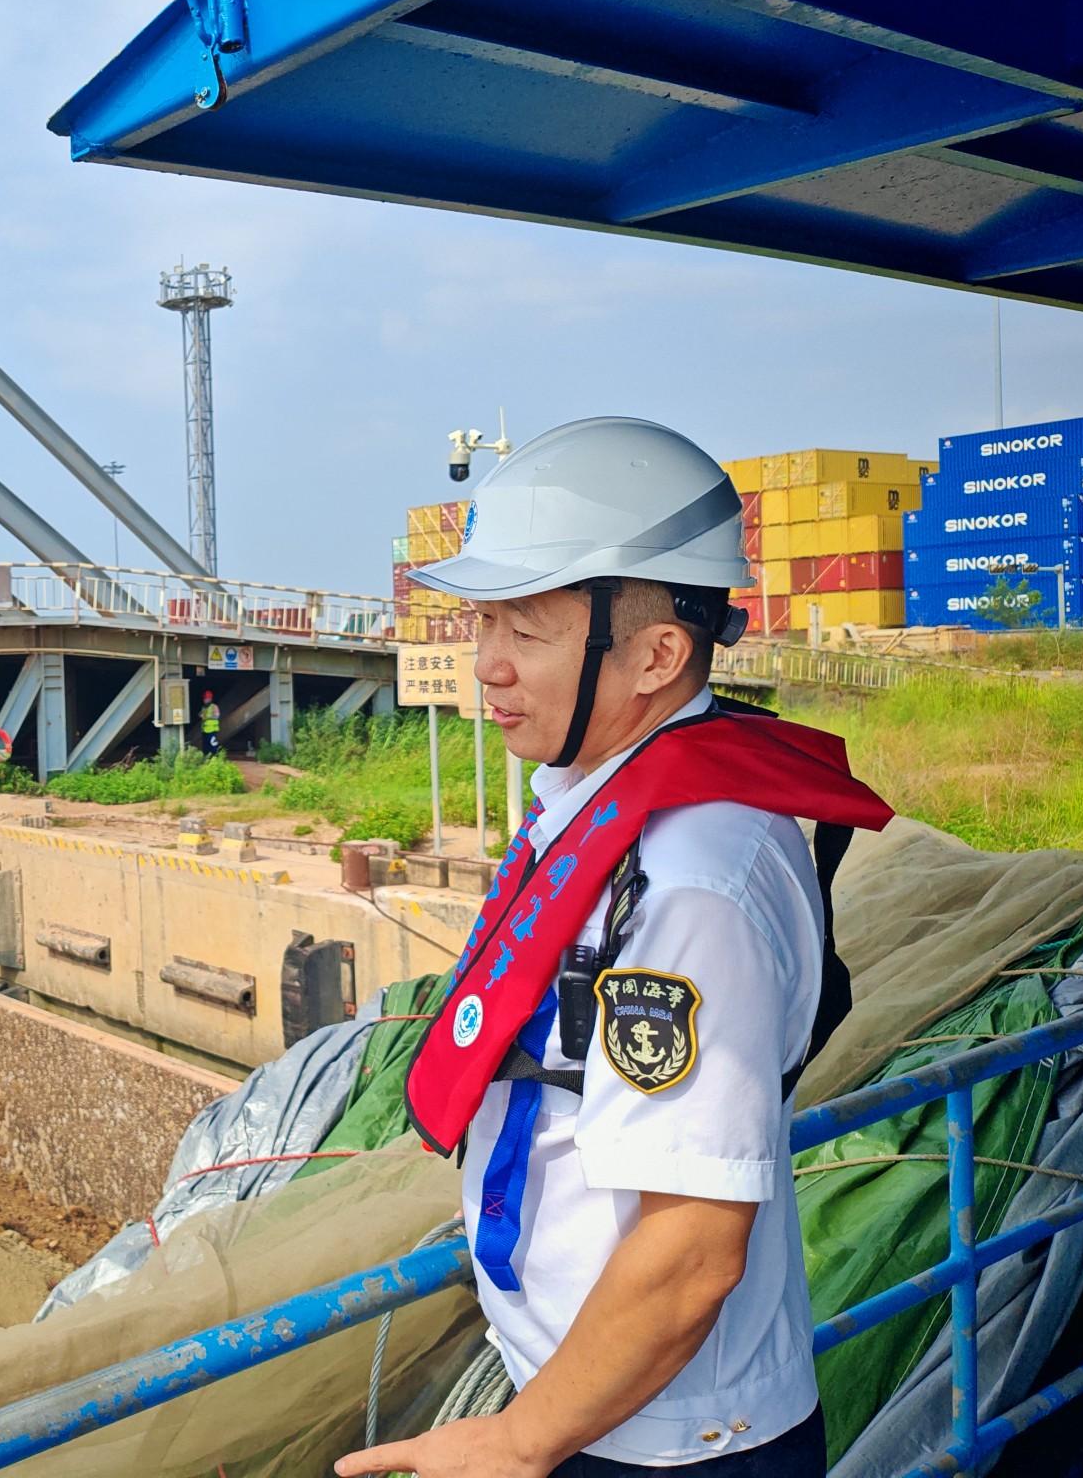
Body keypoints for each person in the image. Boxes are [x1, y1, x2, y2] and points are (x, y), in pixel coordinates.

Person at [338, 419, 891, 1478]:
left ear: (655, 654)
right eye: (483, 621)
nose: (486, 664)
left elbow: (689, 1254)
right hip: (589, 1395)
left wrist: (515, 1442)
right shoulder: (599, 799)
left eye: (527, 631)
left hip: (650, 1442)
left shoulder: (691, 883)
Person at [200, 689, 222, 754]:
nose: (205, 700)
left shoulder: (214, 707)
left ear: (210, 699)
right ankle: (207, 758)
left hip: (212, 730)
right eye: (204, 699)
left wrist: (207, 717)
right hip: (205, 730)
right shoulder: (203, 707)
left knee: (213, 745)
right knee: (205, 746)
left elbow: (217, 716)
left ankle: (216, 757)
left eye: (206, 699)